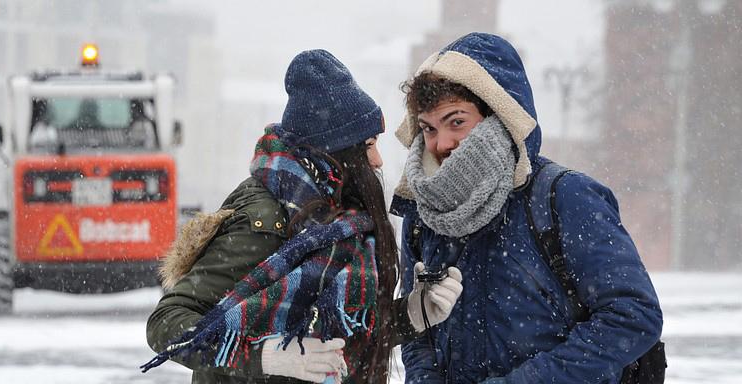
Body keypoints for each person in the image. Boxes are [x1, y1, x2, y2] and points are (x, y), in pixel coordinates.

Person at [142, 50, 463, 383]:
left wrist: (413, 313)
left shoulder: (342, 226)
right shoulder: (264, 216)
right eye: (368, 145)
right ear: (337, 152)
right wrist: (265, 356)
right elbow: (167, 323)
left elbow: (340, 331)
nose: (378, 160)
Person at [392, 33, 663, 383]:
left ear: (499, 116)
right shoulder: (423, 215)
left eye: (456, 121)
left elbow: (633, 316)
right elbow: (420, 333)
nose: (441, 144)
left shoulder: (564, 197)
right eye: (429, 128)